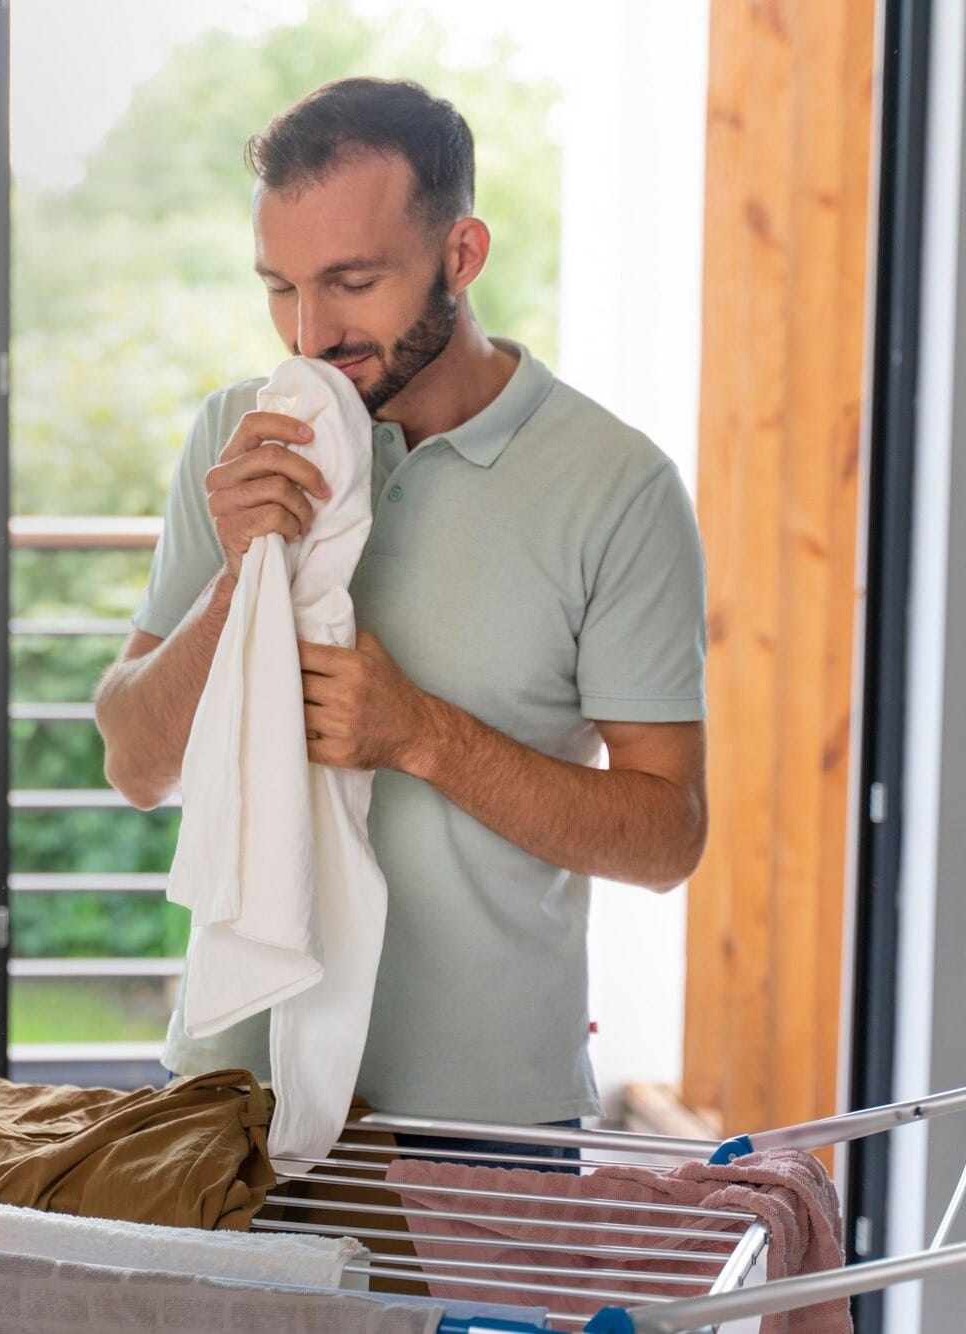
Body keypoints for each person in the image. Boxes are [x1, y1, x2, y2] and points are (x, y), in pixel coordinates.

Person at [93, 77, 710, 1164]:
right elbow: (136, 763)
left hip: (483, 1121)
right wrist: (240, 579)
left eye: (351, 281)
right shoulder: (242, 434)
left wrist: (418, 733)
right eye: (279, 286)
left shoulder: (615, 484)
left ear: (460, 255)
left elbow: (666, 837)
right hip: (229, 1088)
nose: (309, 330)